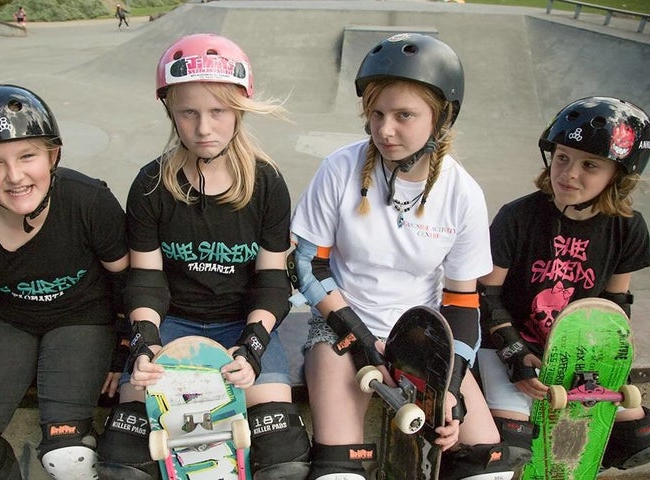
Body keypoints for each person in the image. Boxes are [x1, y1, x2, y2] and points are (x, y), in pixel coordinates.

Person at [289, 32, 517, 480]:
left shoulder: (463, 193)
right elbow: (307, 267)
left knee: (488, 468)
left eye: (404, 115)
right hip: (342, 324)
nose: (384, 129)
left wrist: (448, 386)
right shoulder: (340, 168)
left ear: (442, 117)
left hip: (423, 335)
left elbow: (462, 300)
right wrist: (358, 339)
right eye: (376, 113)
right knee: (339, 469)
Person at [95, 33, 311, 480]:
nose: (203, 127)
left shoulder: (266, 183)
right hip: (172, 322)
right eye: (188, 112)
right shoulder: (152, 184)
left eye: (218, 111)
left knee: (281, 456)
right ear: (170, 112)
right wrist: (145, 342)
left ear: (241, 109)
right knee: (125, 459)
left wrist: (253, 346)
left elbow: (272, 279)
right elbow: (146, 279)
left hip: (243, 322)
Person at [0, 84, 130, 479]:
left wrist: (124, 348)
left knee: (69, 457)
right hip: (10, 321)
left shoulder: (87, 200)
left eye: (28, 156)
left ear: (53, 154)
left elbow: (128, 281)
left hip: (84, 322)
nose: (15, 175)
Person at [477, 96, 650, 470]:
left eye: (590, 165)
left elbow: (614, 306)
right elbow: (486, 297)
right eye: (562, 158)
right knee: (515, 445)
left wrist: (601, 365)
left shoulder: (628, 228)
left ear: (618, 175)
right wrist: (515, 356)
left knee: (638, 439)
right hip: (507, 342)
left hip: (575, 352)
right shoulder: (517, 217)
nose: (569, 174)